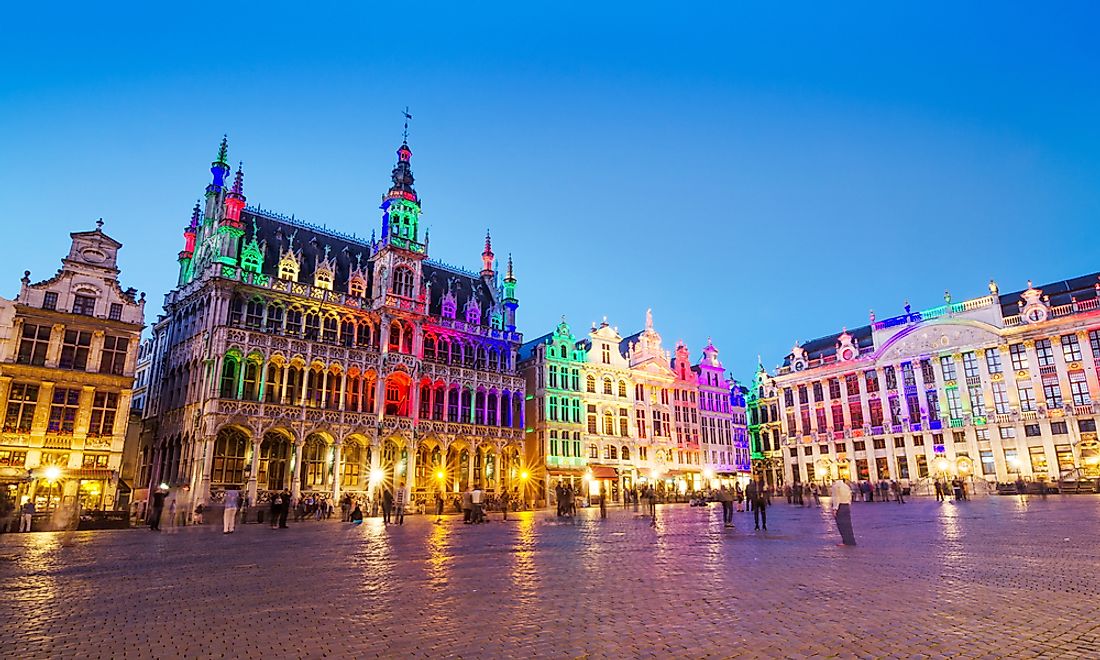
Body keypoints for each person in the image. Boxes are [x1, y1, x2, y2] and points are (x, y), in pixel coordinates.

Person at [831, 479, 856, 546]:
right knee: (848, 525)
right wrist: (848, 504)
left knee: (842, 525)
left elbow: (836, 498)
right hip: (846, 505)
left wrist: (835, 508)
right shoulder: (846, 486)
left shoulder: (836, 486)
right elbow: (850, 496)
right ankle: (851, 541)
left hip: (840, 506)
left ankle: (845, 541)